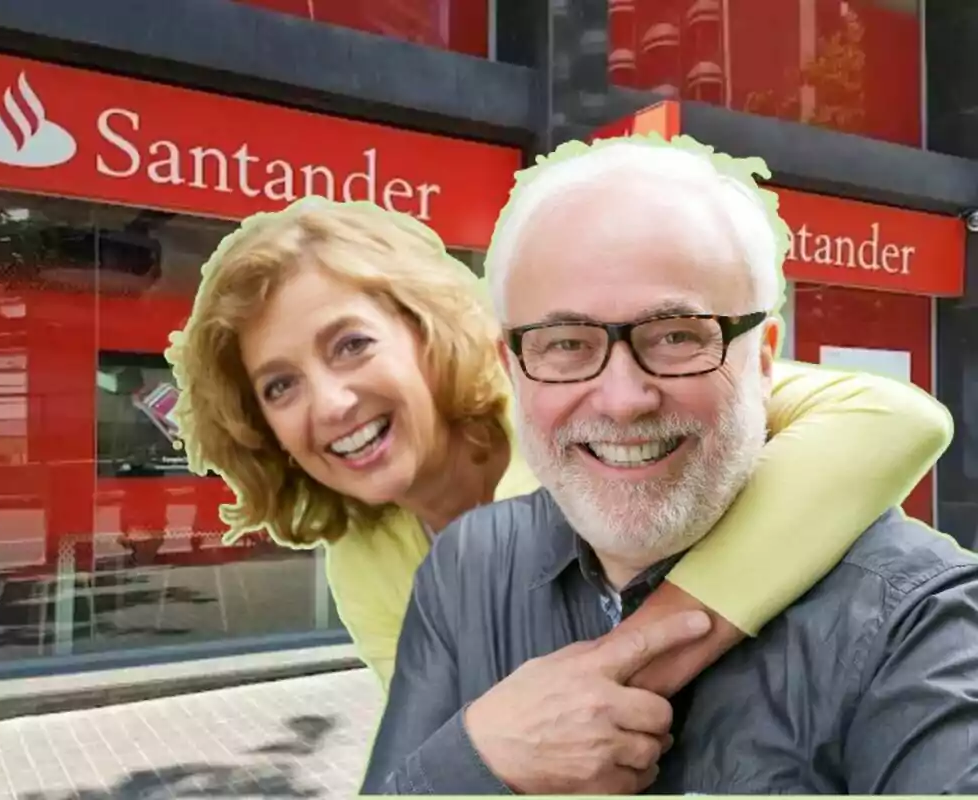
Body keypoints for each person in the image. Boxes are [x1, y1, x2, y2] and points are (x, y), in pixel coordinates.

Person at [357, 135, 978, 796]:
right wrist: (477, 758)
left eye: (679, 336)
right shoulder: (467, 564)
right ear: (512, 368)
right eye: (565, 343)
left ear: (765, 359)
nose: (624, 401)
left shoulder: (923, 625)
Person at [164, 184, 950, 700]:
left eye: (350, 346)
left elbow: (899, 419)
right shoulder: (362, 554)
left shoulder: (570, 399)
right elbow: (446, 742)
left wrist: (655, 643)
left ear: (426, 332)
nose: (330, 404)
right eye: (279, 386)